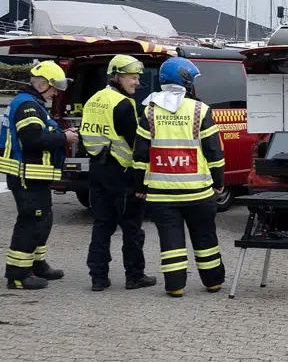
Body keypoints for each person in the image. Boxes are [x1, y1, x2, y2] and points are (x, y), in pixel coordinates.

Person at [132, 57, 226, 297]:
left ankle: (175, 287)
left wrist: (139, 185)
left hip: (161, 195)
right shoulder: (200, 110)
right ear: (185, 80)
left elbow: (141, 153)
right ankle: (213, 282)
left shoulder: (149, 111)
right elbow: (213, 151)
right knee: (205, 237)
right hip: (198, 193)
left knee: (170, 243)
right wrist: (219, 181)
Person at [0, 60, 77, 290]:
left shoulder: (33, 103)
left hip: (35, 175)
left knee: (44, 219)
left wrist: (60, 132)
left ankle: (37, 264)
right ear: (41, 84)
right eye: (54, 87)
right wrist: (65, 138)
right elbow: (33, 140)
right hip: (26, 175)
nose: (56, 92)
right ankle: (19, 275)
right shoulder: (28, 106)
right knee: (32, 222)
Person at [80, 54, 158, 292]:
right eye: (133, 78)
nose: (136, 82)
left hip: (97, 170)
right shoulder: (123, 104)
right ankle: (134, 276)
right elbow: (135, 141)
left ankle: (98, 278)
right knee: (131, 226)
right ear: (117, 76)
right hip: (122, 172)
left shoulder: (94, 99)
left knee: (102, 225)